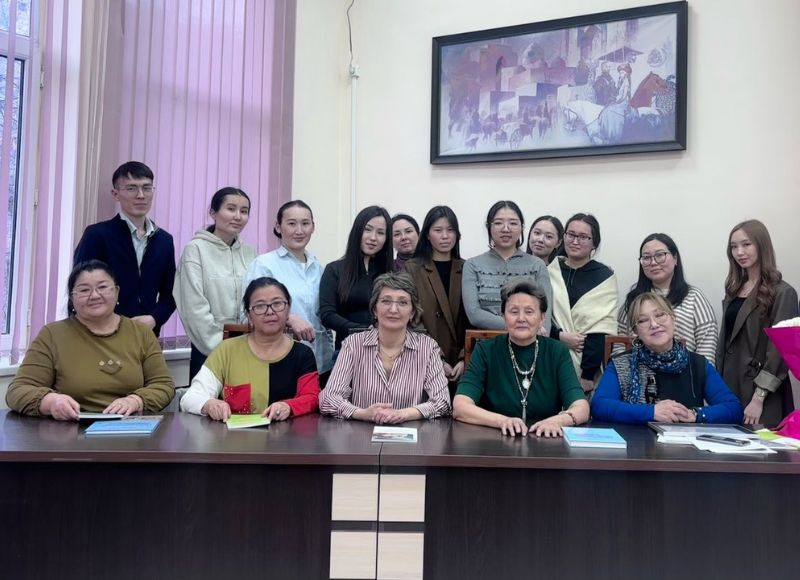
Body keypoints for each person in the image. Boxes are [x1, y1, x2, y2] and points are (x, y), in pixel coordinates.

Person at [6, 260, 175, 419]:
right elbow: (18, 390)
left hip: (132, 427)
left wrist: (136, 401)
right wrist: (50, 402)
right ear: (72, 298)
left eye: (102, 287)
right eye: (84, 290)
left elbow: (163, 385)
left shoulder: (141, 332)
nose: (94, 295)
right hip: (70, 429)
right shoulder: (52, 334)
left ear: (117, 292)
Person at [453, 280, 588, 437]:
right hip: (494, 438)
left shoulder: (557, 351)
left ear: (542, 318)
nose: (521, 318)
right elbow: (460, 406)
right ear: (504, 317)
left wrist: (557, 421)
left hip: (545, 438)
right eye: (514, 312)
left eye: (529, 312)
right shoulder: (485, 350)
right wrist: (502, 421)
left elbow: (581, 407)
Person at [180, 277, 320, 421]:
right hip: (236, 435)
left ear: (288, 308)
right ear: (248, 314)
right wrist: (209, 404)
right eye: (260, 306)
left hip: (289, 434)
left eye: (277, 304)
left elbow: (312, 398)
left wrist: (288, 406)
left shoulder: (303, 354)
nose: (270, 311)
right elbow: (191, 397)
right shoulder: (227, 350)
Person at [319, 272, 451, 423]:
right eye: (386, 301)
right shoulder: (353, 344)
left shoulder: (428, 347)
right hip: (362, 432)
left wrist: (403, 414)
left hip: (411, 432)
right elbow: (328, 399)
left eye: (403, 303)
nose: (393, 309)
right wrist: (363, 413)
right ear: (375, 309)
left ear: (412, 312)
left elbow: (443, 402)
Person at [593, 293, 742, 425]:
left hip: (684, 445)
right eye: (643, 320)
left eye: (660, 315)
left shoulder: (698, 364)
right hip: (635, 443)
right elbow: (599, 406)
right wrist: (651, 412)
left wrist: (696, 415)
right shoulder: (621, 364)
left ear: (673, 318)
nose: (654, 324)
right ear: (635, 331)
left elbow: (733, 408)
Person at [74, 161, 176, 336]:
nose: (141, 195)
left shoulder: (164, 240)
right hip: (101, 333)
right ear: (116, 194)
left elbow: (171, 293)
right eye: (131, 188)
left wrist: (154, 318)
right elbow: (81, 288)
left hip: (145, 334)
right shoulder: (97, 235)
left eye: (147, 188)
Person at [717, 220, 799, 426]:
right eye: (734, 247)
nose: (739, 252)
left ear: (761, 245)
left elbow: (779, 353)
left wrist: (758, 398)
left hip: (762, 393)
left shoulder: (783, 292)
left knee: (761, 445)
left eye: (746, 244)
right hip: (730, 387)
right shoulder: (734, 289)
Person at [174, 187, 256, 380]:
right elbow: (194, 307)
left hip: (248, 348)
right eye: (231, 209)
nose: (238, 216)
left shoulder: (250, 253)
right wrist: (222, 347)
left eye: (244, 211)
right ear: (213, 212)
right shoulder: (195, 250)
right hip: (208, 350)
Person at [243, 200, 334, 375]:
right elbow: (248, 313)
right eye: (291, 224)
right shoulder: (264, 265)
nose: (299, 231)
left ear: (313, 227)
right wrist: (288, 318)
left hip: (322, 363)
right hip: (281, 360)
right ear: (278, 227)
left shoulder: (319, 269)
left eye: (305, 223)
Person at [618, 233, 717, 363]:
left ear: (675, 258)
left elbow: (707, 343)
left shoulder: (694, 297)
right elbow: (619, 342)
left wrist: (700, 372)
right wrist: (623, 371)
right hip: (638, 372)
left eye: (660, 255)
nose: (653, 262)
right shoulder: (634, 299)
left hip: (687, 371)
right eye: (646, 258)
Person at [548, 213, 617, 395]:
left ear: (594, 243)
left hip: (586, 364)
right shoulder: (549, 272)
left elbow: (601, 327)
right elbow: (541, 317)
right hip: (549, 354)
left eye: (583, 237)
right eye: (571, 234)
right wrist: (559, 336)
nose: (575, 241)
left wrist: (587, 374)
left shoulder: (604, 277)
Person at [404, 206, 468, 393]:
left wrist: (465, 357)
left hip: (463, 363)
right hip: (425, 358)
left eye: (450, 230)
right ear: (427, 235)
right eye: (438, 230)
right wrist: (436, 357)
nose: (445, 236)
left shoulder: (468, 268)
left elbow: (473, 318)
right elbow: (411, 319)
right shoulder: (412, 269)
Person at [462, 201, 553, 332]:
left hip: (530, 341)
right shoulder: (472, 265)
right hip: (486, 342)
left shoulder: (537, 265)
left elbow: (545, 317)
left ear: (522, 227)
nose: (506, 229)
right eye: (498, 223)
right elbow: (474, 314)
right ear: (488, 227)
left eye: (513, 223)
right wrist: (521, 325)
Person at [319, 205, 393, 351]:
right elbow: (327, 315)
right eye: (367, 229)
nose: (373, 238)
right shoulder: (334, 269)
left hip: (386, 350)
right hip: (348, 349)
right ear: (357, 231)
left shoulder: (390, 272)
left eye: (380, 233)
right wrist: (363, 331)